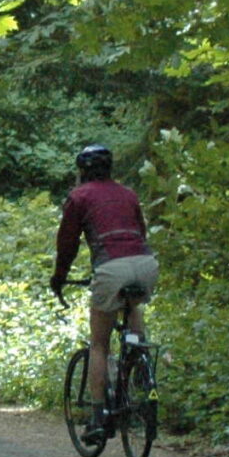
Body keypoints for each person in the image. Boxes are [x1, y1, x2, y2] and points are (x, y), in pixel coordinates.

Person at [49, 143, 157, 440]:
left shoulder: (79, 196)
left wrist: (59, 277)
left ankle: (99, 417)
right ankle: (140, 361)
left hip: (111, 267)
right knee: (133, 305)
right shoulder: (128, 193)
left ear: (81, 171)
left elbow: (67, 244)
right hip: (145, 263)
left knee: (99, 345)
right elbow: (140, 232)